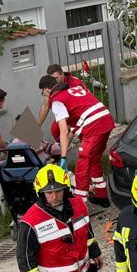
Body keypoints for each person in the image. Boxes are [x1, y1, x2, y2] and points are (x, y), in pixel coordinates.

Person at [38, 68, 116, 207]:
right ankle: (101, 195)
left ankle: (80, 205)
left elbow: (63, 131)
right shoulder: (70, 89)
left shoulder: (57, 101)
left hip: (94, 126)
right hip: (106, 119)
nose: (44, 96)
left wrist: (62, 157)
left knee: (82, 164)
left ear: (46, 89)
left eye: (42, 93)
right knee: (94, 160)